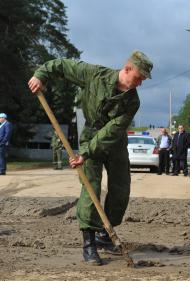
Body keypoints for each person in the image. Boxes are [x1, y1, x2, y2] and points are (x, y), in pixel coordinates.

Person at [28, 50, 153, 266]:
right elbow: (62, 65)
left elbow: (113, 130)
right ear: (128, 68)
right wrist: (40, 75)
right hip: (89, 137)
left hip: (115, 143)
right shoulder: (94, 75)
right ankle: (89, 245)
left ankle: (105, 235)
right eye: (139, 77)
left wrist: (85, 154)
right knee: (90, 188)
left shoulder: (133, 101)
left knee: (121, 190)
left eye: (143, 79)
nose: (140, 83)